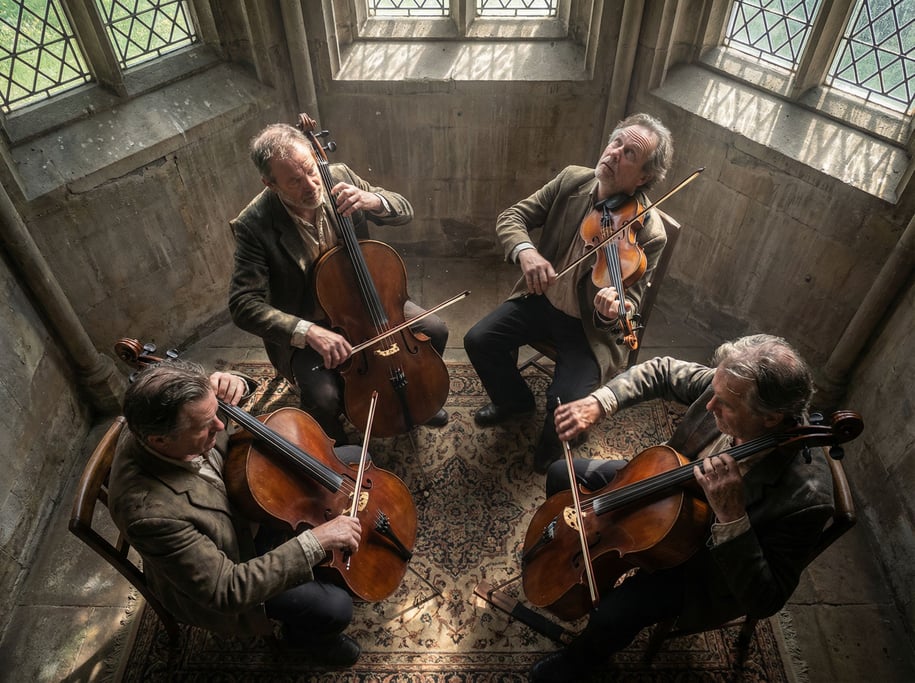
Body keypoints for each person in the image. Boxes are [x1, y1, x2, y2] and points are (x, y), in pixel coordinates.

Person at [529, 334, 836, 682]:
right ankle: (568, 555)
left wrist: (732, 517)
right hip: (661, 483)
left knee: (613, 615)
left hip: (700, 558)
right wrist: (601, 401)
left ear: (771, 419)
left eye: (726, 406)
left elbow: (766, 598)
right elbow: (661, 371)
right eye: (714, 392)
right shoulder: (728, 387)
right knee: (561, 475)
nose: (710, 406)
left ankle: (579, 662)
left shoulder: (807, 499)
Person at [108, 360, 364, 666]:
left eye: (217, 411)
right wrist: (315, 541)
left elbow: (219, 406)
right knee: (335, 608)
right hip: (234, 557)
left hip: (243, 500)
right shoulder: (149, 514)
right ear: (160, 440)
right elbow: (226, 589)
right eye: (205, 425)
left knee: (353, 461)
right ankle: (303, 640)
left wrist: (237, 383)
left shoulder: (176, 417)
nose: (221, 423)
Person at [463, 112, 674, 473]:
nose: (614, 153)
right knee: (479, 340)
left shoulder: (648, 233)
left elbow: (633, 301)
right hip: (541, 300)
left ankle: (550, 452)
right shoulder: (572, 180)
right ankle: (514, 401)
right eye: (616, 142)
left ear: (644, 177)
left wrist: (613, 308)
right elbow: (512, 217)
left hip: (588, 329)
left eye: (629, 154)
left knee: (564, 406)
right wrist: (526, 252)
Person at [229, 123, 449, 445]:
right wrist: (308, 331)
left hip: (369, 302)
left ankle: (417, 398)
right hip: (312, 320)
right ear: (270, 183)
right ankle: (336, 448)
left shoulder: (338, 175)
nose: (310, 184)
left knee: (436, 329)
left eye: (310, 170)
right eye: (294, 180)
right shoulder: (253, 225)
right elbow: (242, 304)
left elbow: (404, 211)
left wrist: (373, 200)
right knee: (324, 397)